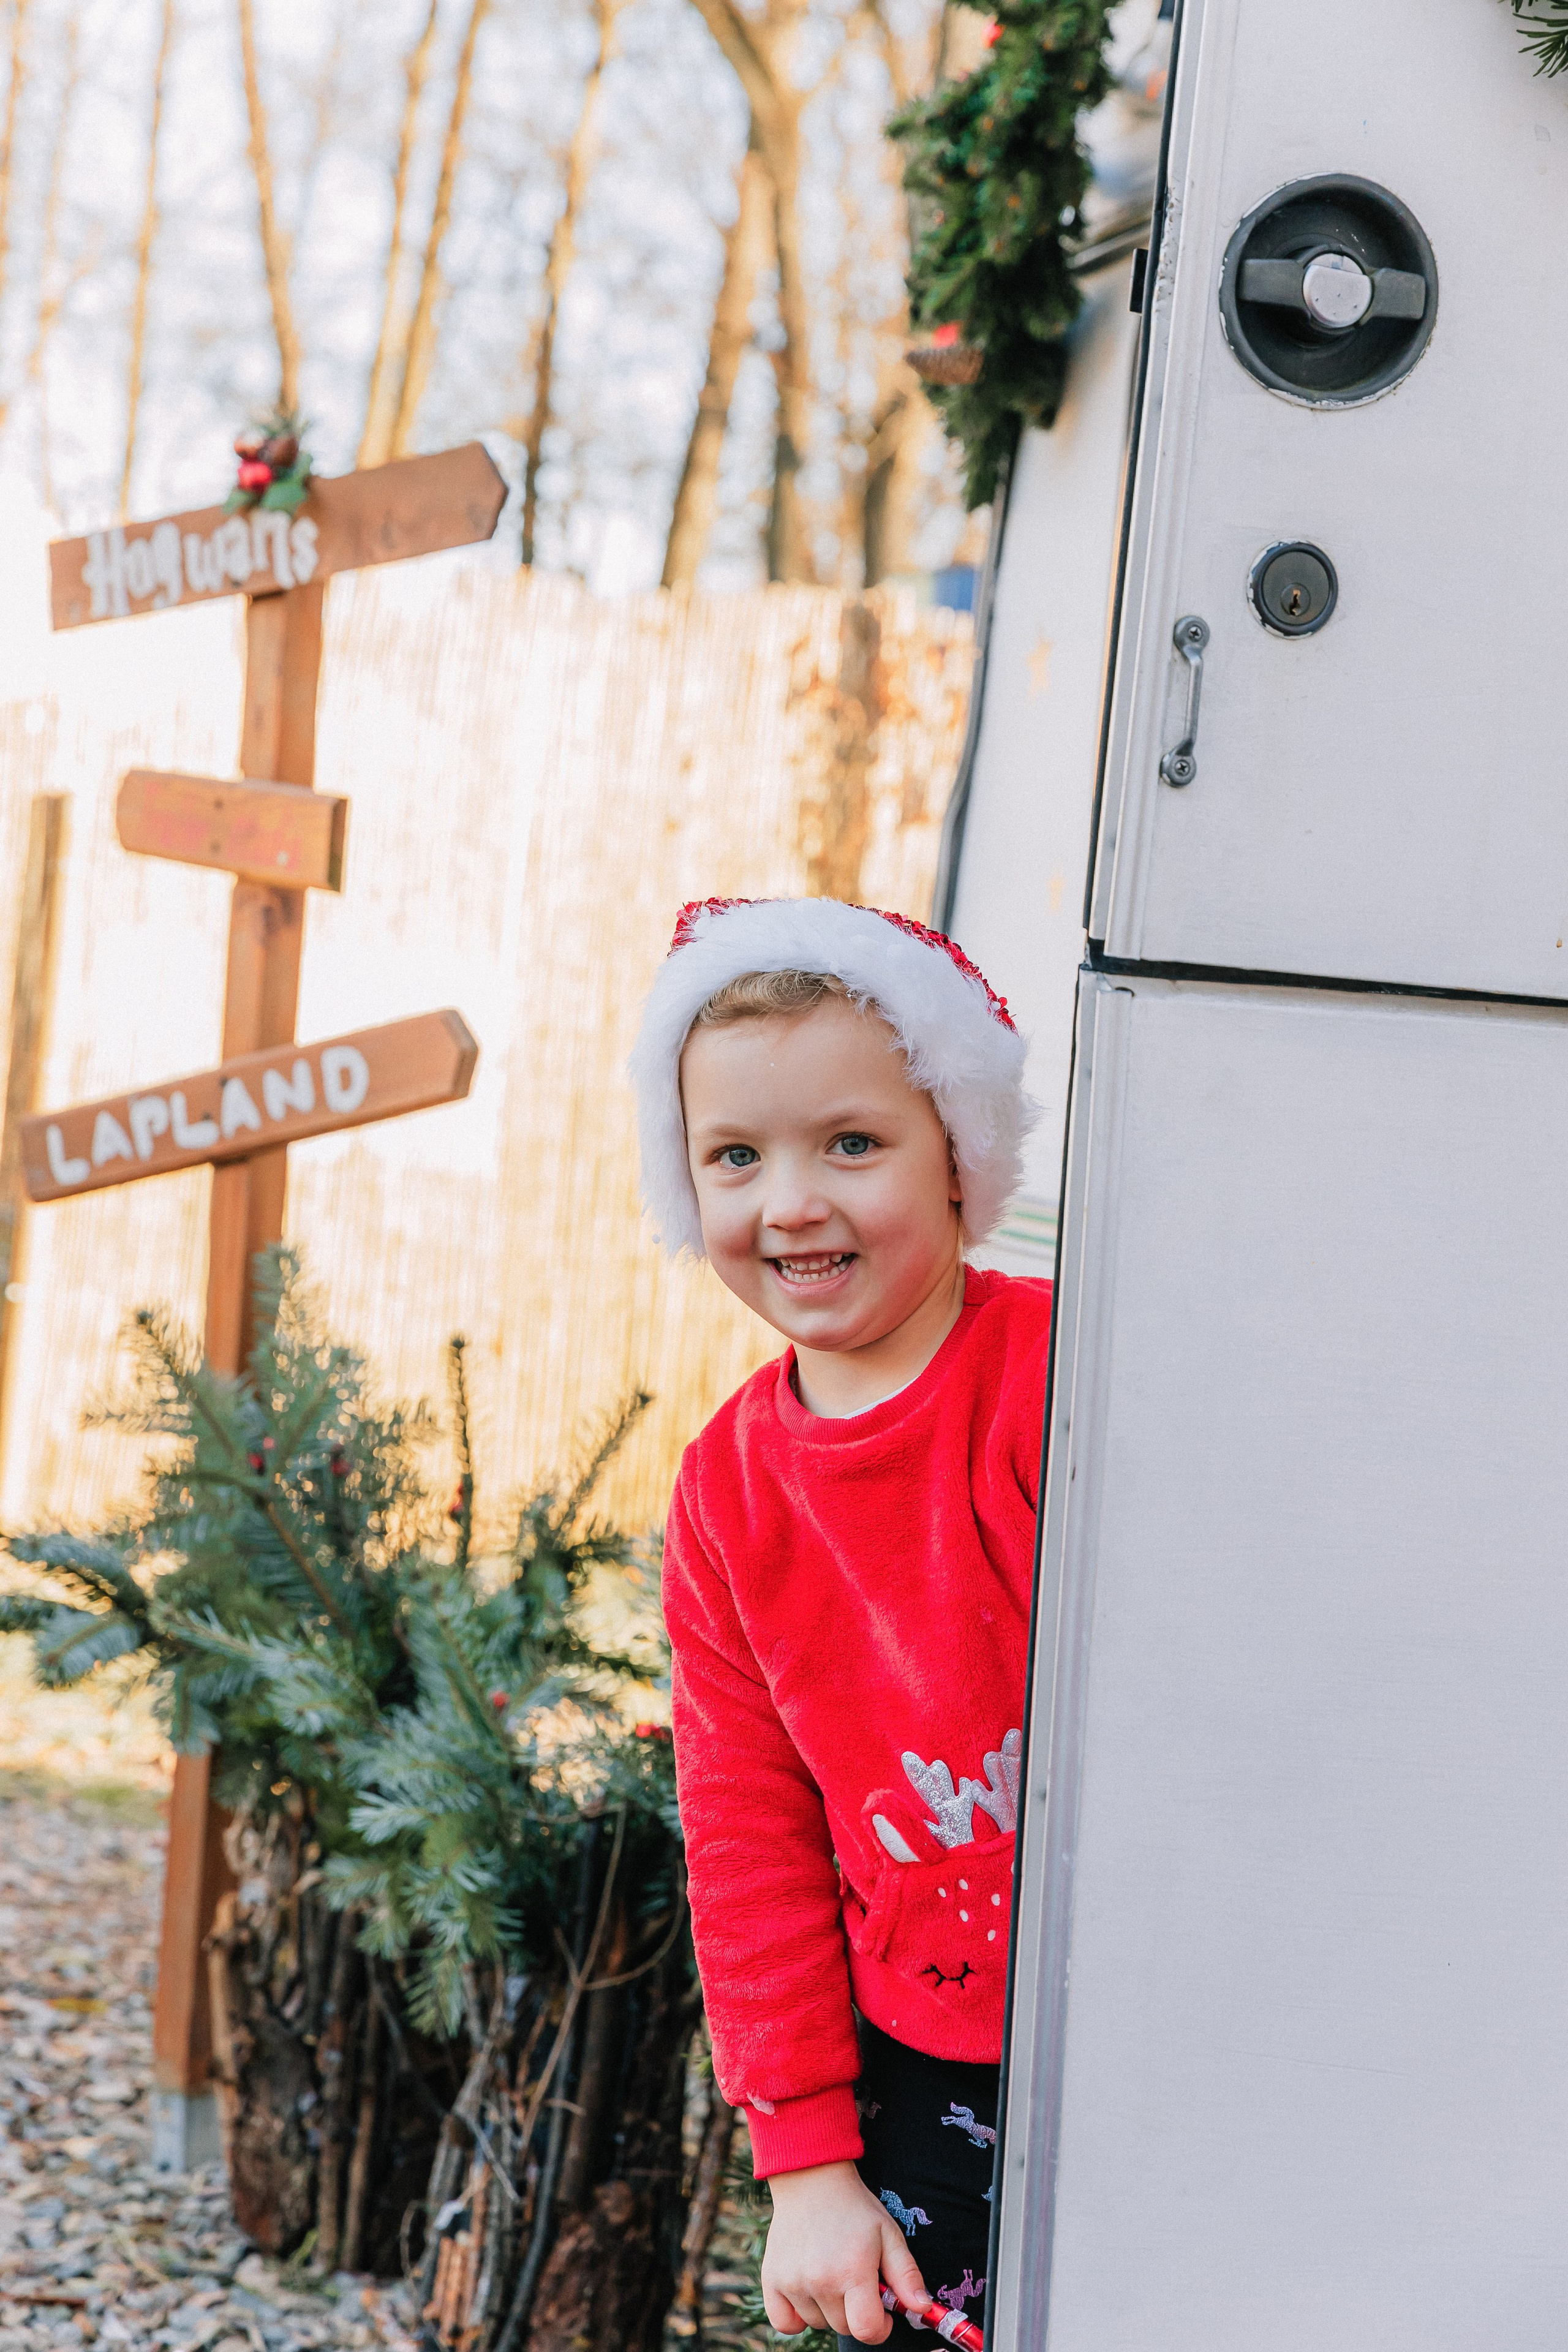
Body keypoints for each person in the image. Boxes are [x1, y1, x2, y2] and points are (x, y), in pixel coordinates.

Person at [630, 896, 1052, 2348]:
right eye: (735, 1157)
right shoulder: (724, 1494)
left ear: (958, 1157)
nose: (789, 1202)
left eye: (850, 1144)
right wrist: (806, 2162)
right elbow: (745, 1833)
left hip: (1163, 2020)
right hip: (921, 2072)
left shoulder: (1057, 1373)